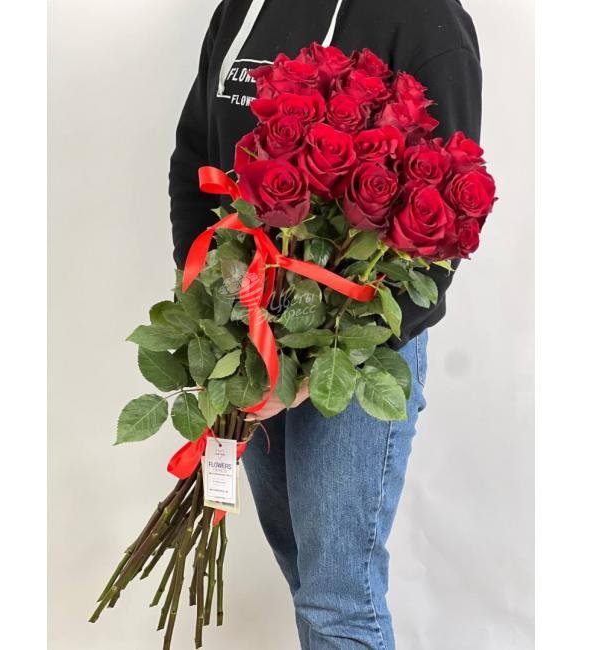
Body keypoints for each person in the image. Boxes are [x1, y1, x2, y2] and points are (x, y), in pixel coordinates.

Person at [169, 1, 482, 647]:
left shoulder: (424, 19)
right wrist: (214, 308)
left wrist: (317, 369)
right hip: (250, 333)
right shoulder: (243, 8)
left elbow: (448, 221)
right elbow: (195, 156)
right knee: (303, 571)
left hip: (355, 350)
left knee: (338, 597)